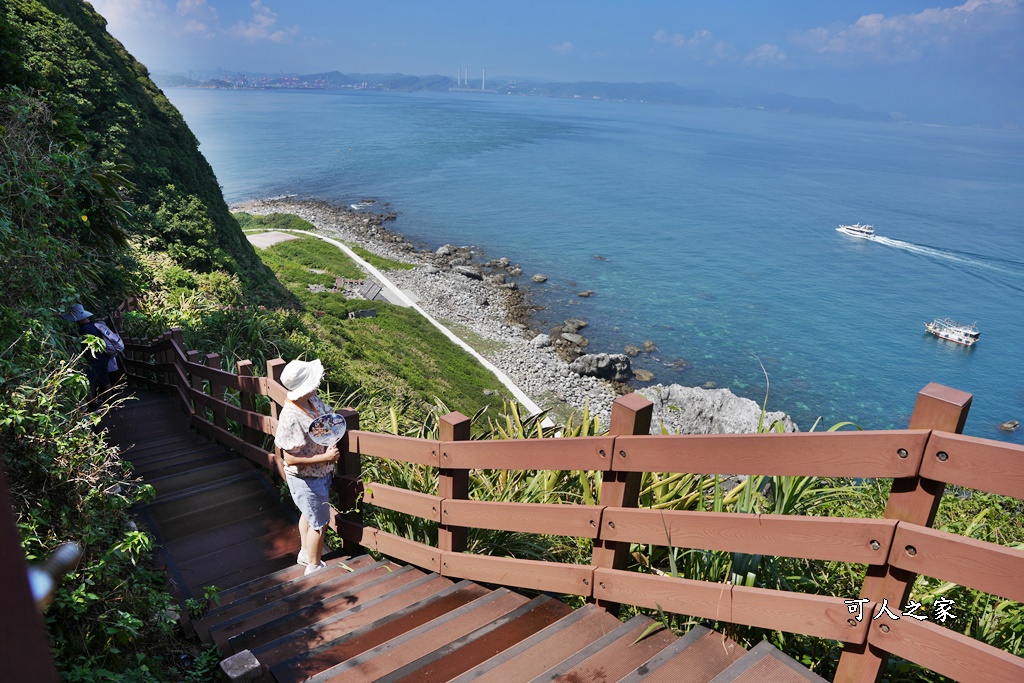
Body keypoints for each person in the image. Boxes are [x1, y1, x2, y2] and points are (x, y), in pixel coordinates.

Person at [274, 359, 340, 575]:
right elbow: (290, 459)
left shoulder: (311, 400)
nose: (317, 384)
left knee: (309, 515)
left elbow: (327, 420)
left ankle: (305, 554)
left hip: (319, 475)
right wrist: (326, 457)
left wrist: (333, 438)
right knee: (321, 523)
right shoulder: (291, 416)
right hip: (305, 479)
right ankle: (313, 567)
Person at [61, 304, 112, 410]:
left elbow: (88, 347)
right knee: (105, 380)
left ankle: (93, 406)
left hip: (95, 358)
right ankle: (109, 404)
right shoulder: (93, 325)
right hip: (103, 356)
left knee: (88, 382)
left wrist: (87, 360)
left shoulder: (85, 329)